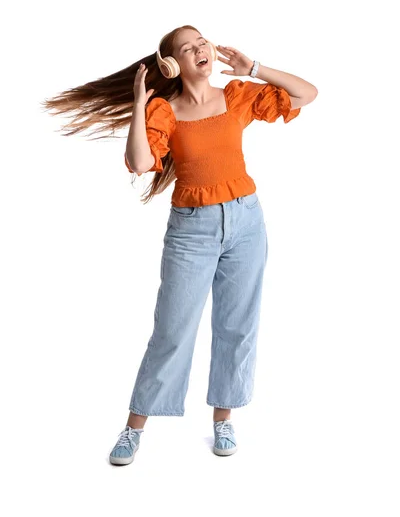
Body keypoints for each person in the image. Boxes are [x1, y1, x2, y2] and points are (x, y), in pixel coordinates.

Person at [41, 24, 318, 465]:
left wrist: (257, 68)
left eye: (201, 41)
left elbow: (307, 94)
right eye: (186, 49)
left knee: (238, 325)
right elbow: (139, 162)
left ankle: (222, 420)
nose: (200, 49)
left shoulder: (239, 96)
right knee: (172, 331)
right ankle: (134, 427)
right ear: (172, 64)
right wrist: (137, 104)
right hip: (192, 230)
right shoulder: (164, 110)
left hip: (246, 221)